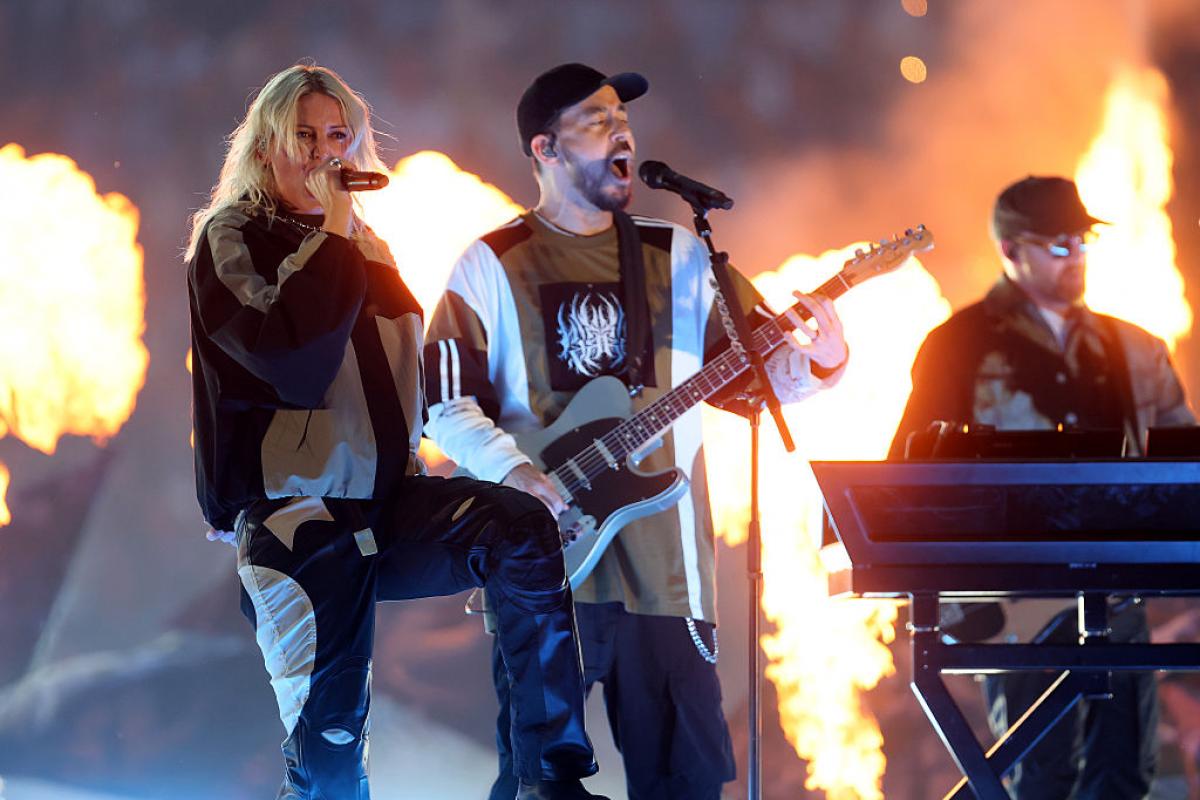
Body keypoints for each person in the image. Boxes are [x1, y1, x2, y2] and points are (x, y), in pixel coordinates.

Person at [422, 63, 849, 800]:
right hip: (544, 573)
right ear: (546, 150)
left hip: (670, 579)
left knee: (684, 784)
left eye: (622, 116)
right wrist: (514, 470)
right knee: (538, 787)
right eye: (595, 120)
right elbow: (445, 402)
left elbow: (753, 385)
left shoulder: (680, 255)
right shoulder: (488, 264)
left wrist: (824, 359)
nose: (621, 130)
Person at [184, 63, 607, 800]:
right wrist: (338, 235)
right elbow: (293, 360)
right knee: (332, 762)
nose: (324, 154)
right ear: (265, 150)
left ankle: (546, 780)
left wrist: (499, 460)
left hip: (385, 503)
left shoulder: (367, 249)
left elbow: (409, 383)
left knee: (520, 529)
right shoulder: (233, 236)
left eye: (338, 136)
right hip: (299, 519)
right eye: (304, 137)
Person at [890, 175, 1194, 799]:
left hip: (1115, 596)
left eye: (1082, 242)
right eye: (1059, 246)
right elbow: (913, 473)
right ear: (1011, 250)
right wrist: (956, 598)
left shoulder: (1133, 349)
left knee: (1124, 774)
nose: (1076, 256)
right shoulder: (958, 348)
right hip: (1017, 600)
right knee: (1038, 774)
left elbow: (1182, 462)